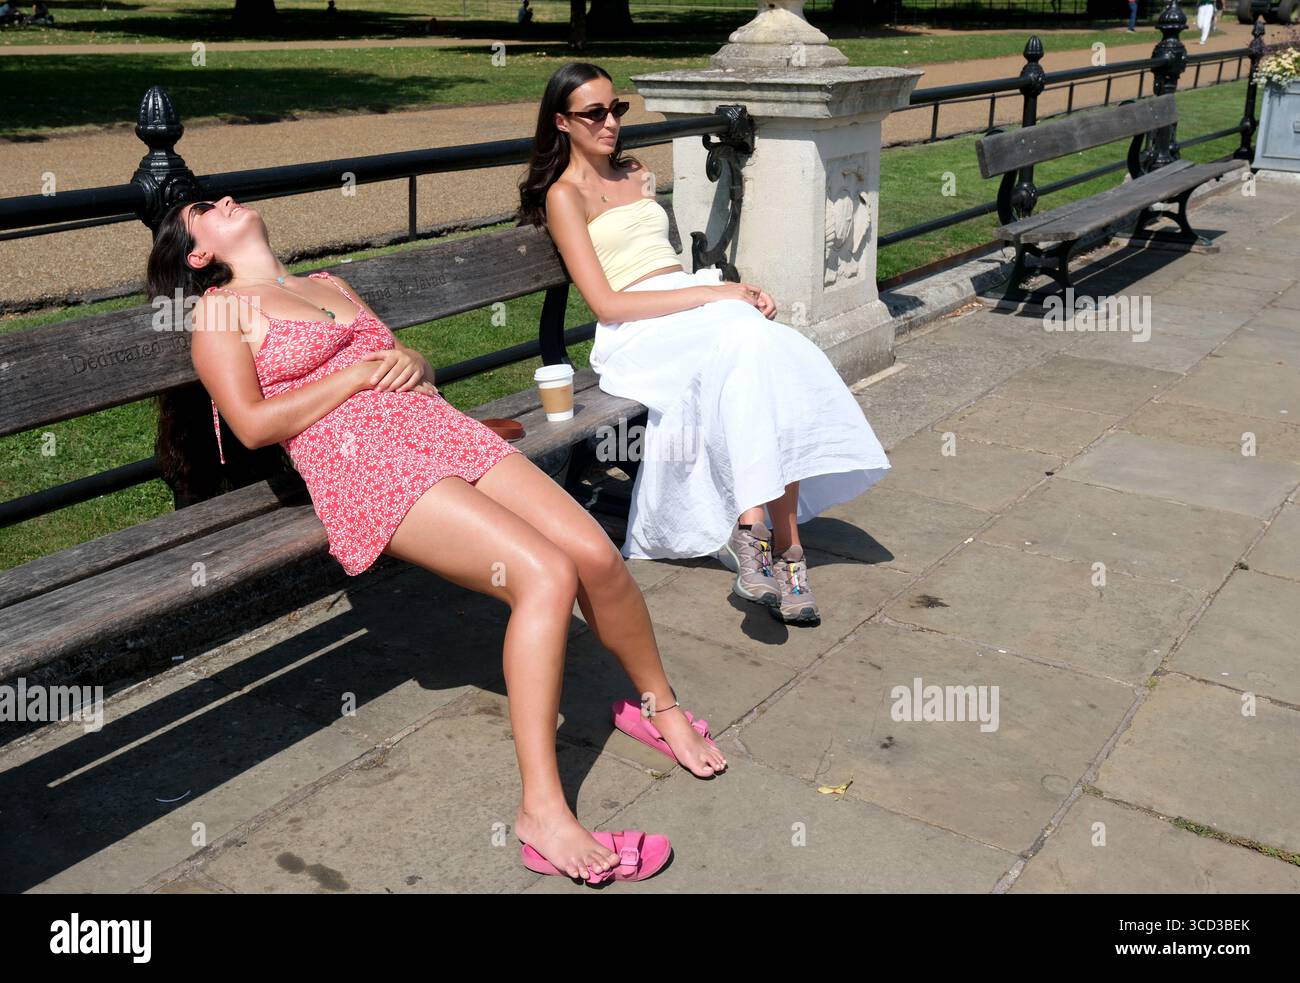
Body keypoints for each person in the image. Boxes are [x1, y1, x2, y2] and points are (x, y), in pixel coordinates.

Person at [146, 196, 730, 884]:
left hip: (439, 429)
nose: (226, 201)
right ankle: (542, 813)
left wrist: (412, 362)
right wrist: (357, 376)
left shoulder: (328, 285)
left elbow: (403, 362)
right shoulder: (220, 312)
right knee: (544, 576)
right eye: (205, 210)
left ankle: (658, 705)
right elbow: (251, 424)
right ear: (197, 254)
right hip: (362, 459)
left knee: (596, 555)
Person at [518, 63, 892, 627]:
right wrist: (715, 297)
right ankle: (779, 547)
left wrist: (726, 296)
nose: (610, 122)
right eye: (593, 113)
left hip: (691, 311)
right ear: (562, 123)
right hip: (636, 331)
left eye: (616, 109)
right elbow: (607, 305)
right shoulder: (564, 196)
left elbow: (665, 262)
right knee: (756, 342)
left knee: (771, 355)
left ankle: (765, 538)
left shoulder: (636, 171)